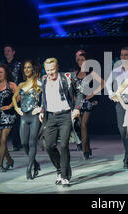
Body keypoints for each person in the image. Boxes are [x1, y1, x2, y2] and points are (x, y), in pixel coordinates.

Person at [38, 58, 83, 187]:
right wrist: (42, 110)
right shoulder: (44, 79)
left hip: (65, 115)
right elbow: (43, 97)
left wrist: (77, 108)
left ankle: (65, 176)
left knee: (64, 145)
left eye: (52, 69)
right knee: (49, 145)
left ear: (57, 67)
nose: (50, 72)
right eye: (48, 70)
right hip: (51, 117)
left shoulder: (68, 77)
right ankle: (59, 169)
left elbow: (80, 92)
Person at [106, 46, 128, 169]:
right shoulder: (116, 70)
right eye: (122, 55)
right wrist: (111, 94)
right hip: (120, 103)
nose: (123, 57)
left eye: (126, 55)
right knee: (123, 131)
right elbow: (108, 84)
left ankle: (127, 158)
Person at [12, 60, 43, 180]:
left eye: (29, 67)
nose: (26, 69)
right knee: (24, 143)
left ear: (33, 69)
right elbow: (14, 98)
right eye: (25, 67)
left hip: (34, 116)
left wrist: (41, 109)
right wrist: (16, 108)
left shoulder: (38, 82)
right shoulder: (20, 85)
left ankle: (29, 169)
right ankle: (35, 163)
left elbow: (46, 95)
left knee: (32, 143)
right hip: (24, 116)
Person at [74, 52, 105, 160]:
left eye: (82, 60)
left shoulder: (91, 73)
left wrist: (92, 94)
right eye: (79, 60)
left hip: (87, 103)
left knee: (83, 125)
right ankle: (87, 148)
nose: (80, 62)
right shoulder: (76, 73)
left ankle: (85, 151)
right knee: (81, 127)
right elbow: (73, 88)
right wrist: (74, 97)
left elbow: (103, 83)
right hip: (78, 103)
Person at [0, 64, 18, 172]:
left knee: (3, 140)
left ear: (6, 73)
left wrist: (10, 106)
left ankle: (1, 164)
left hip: (8, 115)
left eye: (1, 72)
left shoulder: (11, 85)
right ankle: (9, 159)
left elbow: (18, 97)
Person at [0, 44, 22, 151]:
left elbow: (20, 79)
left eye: (9, 51)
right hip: (4, 94)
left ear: (13, 52)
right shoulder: (2, 65)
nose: (7, 53)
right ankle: (2, 141)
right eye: (5, 51)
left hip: (15, 93)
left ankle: (16, 143)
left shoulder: (18, 64)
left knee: (16, 119)